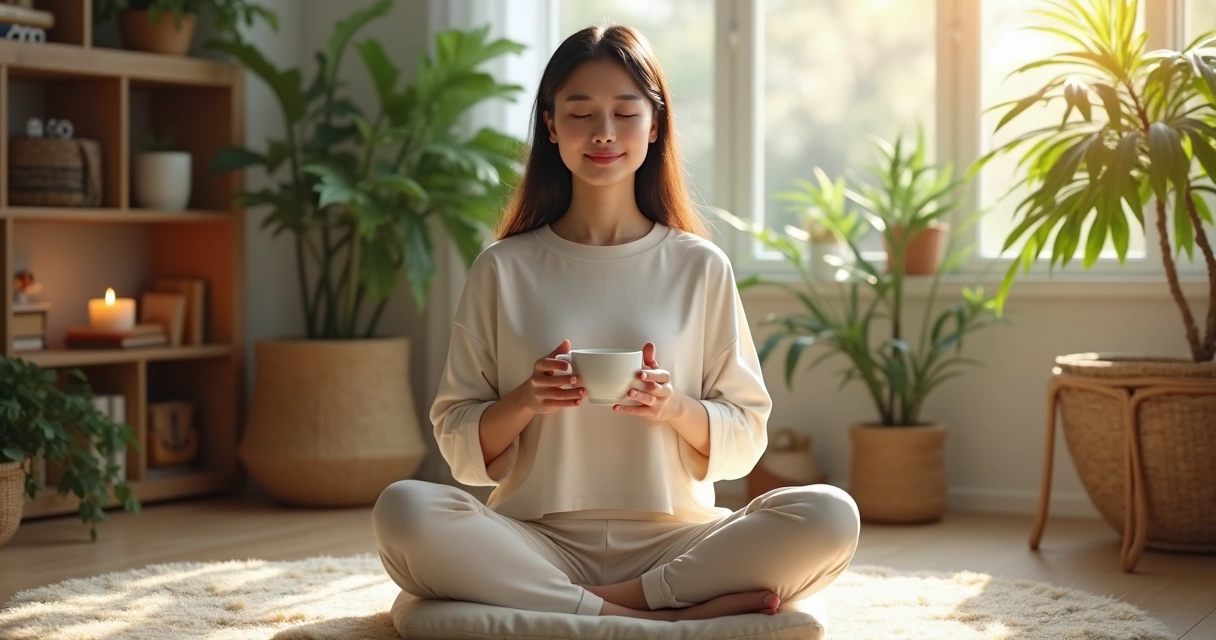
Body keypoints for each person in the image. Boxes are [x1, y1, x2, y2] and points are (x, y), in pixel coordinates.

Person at [373, 23, 860, 622]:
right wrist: (528, 399)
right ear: (550, 126)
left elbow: (747, 436)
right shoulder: (502, 268)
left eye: (625, 113)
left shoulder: (699, 265)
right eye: (579, 113)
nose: (603, 133)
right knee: (403, 509)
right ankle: (659, 619)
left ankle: (603, 609)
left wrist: (674, 406)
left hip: (677, 544)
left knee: (831, 514)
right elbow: (458, 444)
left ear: (654, 126)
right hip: (534, 541)